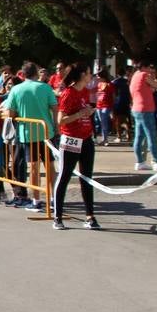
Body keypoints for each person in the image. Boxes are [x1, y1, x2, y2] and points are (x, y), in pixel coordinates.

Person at [1, 62, 58, 210]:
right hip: (47, 131)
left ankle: (36, 200)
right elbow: (54, 107)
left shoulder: (16, 89)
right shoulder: (46, 87)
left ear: (23, 74)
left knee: (33, 167)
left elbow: (11, 113)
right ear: (36, 73)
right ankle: (54, 197)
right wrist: (55, 126)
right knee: (50, 165)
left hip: (27, 133)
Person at [52, 64, 99, 231]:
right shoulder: (68, 93)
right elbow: (61, 120)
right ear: (81, 75)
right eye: (88, 73)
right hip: (71, 139)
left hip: (86, 139)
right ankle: (57, 216)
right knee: (64, 176)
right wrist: (80, 114)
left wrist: (89, 111)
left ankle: (90, 216)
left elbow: (87, 108)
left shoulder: (85, 91)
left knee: (87, 177)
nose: (91, 76)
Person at [130, 63, 157, 171]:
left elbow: (150, 90)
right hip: (146, 109)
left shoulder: (135, 76)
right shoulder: (144, 75)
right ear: (144, 67)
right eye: (149, 67)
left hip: (137, 108)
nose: (150, 70)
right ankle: (156, 161)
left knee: (139, 136)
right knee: (151, 135)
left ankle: (140, 161)